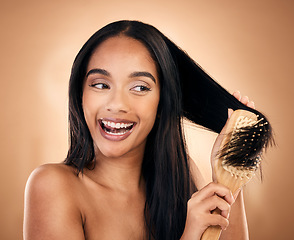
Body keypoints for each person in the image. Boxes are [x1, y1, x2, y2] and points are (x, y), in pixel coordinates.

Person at [23, 20, 272, 240]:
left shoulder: (183, 178)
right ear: (80, 95)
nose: (117, 104)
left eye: (140, 87)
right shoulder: (53, 186)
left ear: (163, 103)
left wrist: (231, 173)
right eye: (100, 84)